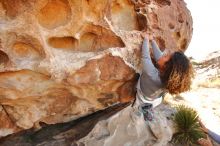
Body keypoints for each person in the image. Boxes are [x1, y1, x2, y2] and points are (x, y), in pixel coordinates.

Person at [134, 35, 194, 121]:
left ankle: (141, 113)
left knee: (141, 106)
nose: (163, 55)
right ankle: (149, 117)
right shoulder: (169, 78)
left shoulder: (151, 74)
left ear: (167, 66)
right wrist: (153, 41)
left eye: (165, 56)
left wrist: (146, 39)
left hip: (143, 96)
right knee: (149, 108)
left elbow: (145, 57)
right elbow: (159, 56)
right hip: (156, 98)